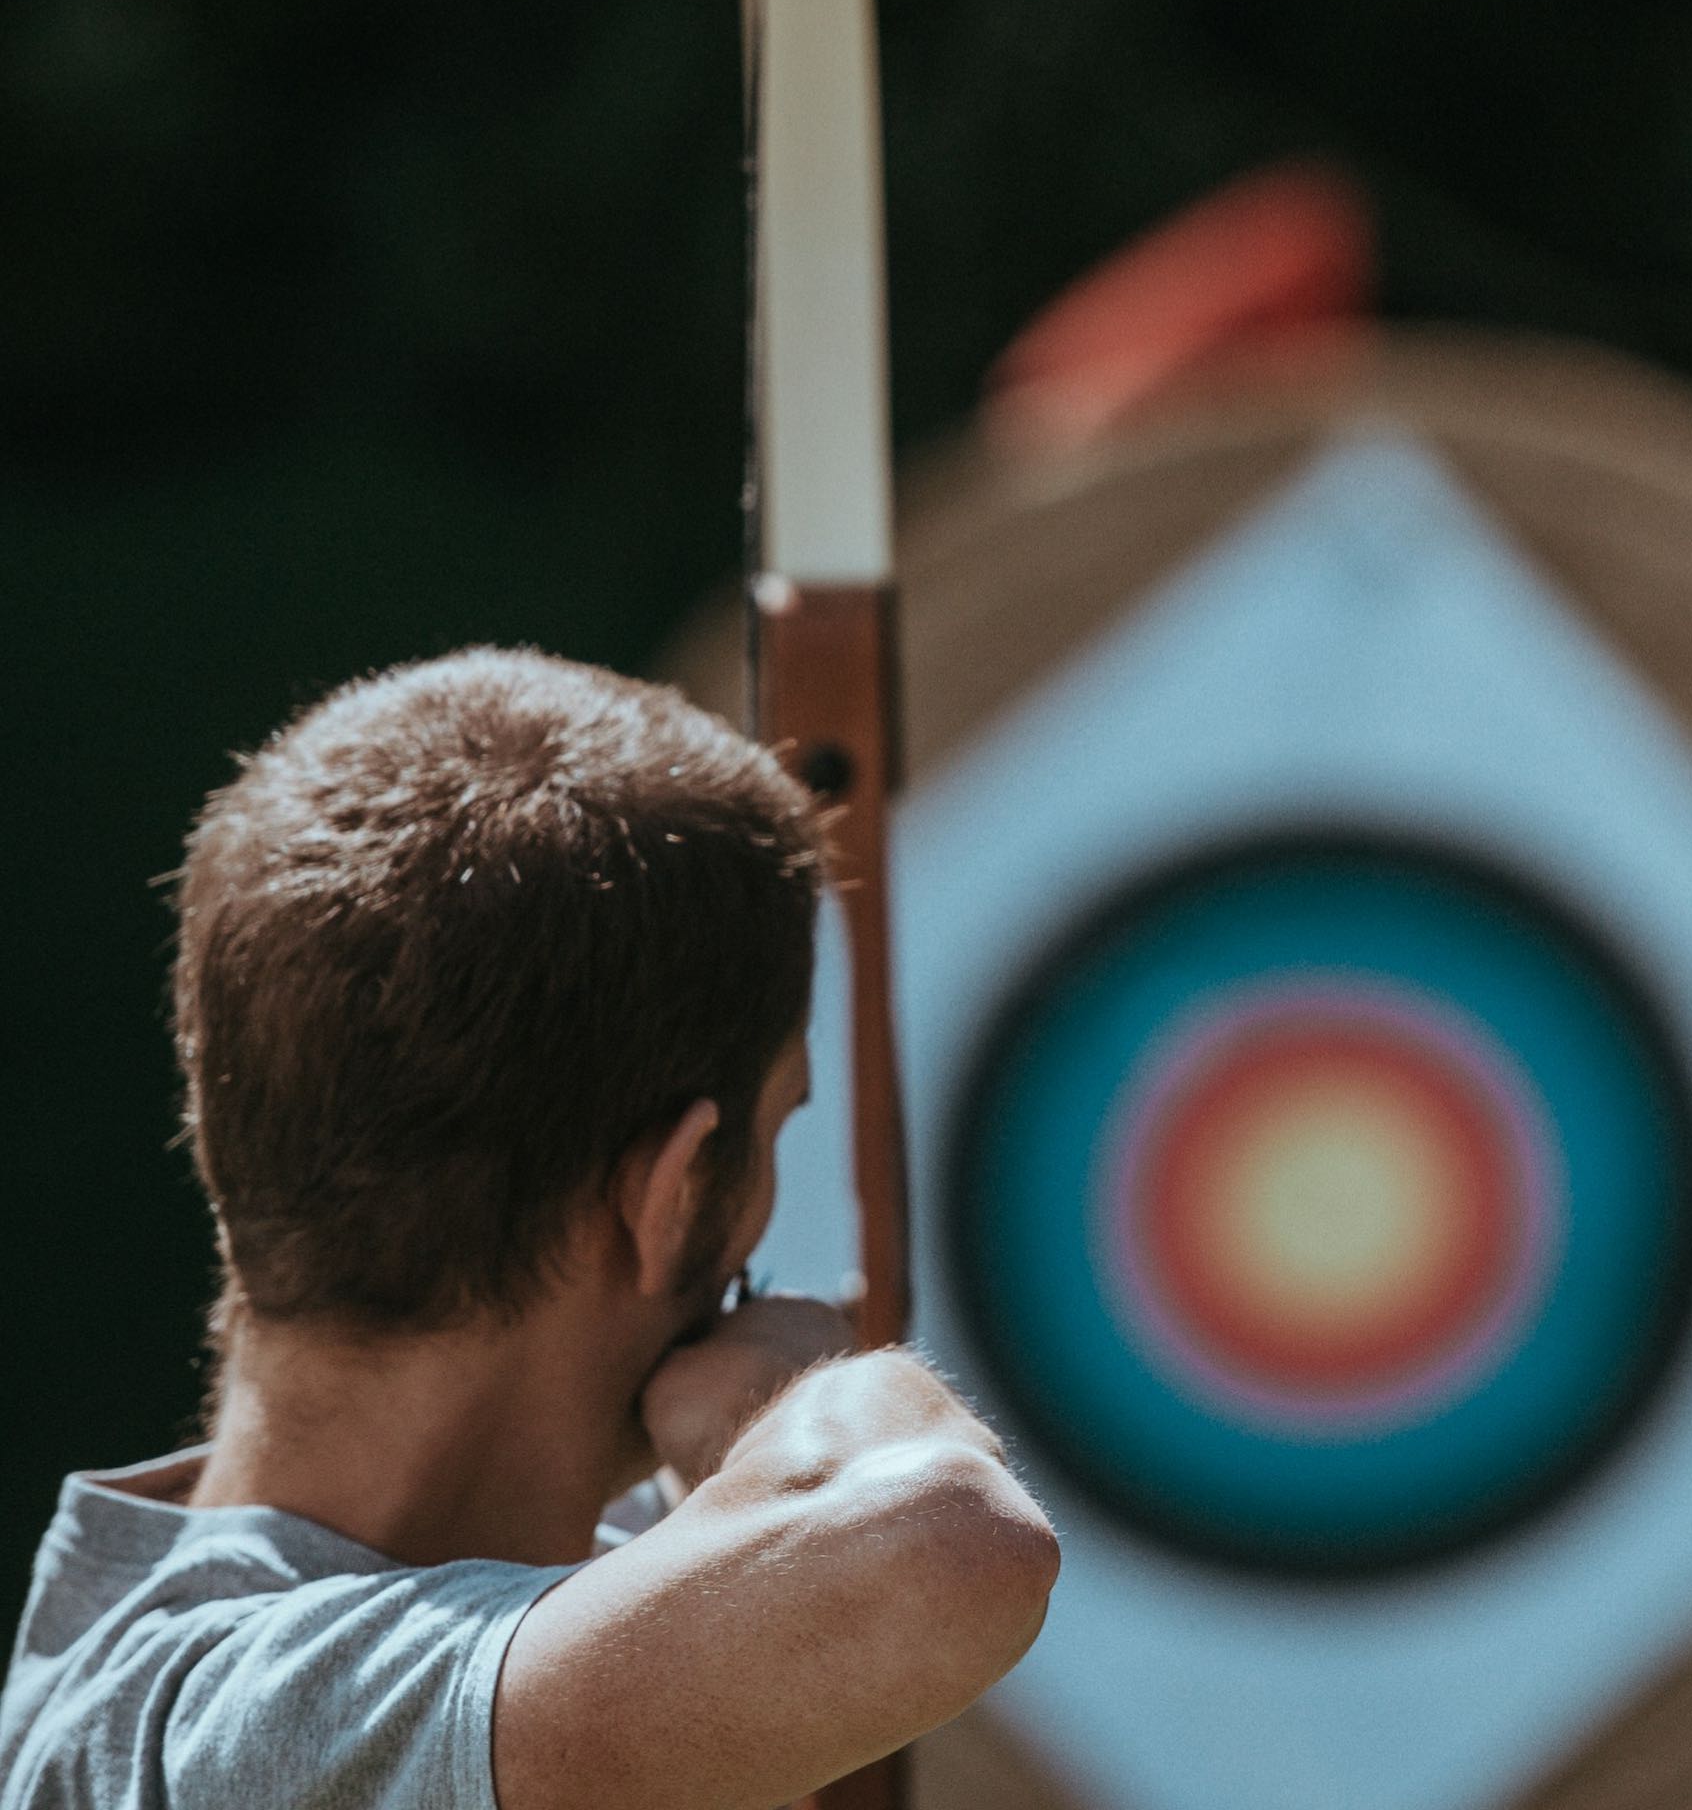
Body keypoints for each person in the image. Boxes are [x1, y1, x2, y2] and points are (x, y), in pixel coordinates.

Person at [0, 647, 1060, 1810]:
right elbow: (940, 1552)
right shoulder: (214, 1739)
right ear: (672, 1192)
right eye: (775, 1127)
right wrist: (803, 1393)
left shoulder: (558, 1585)